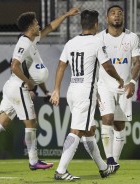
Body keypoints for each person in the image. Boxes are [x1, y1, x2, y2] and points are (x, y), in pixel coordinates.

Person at [0, 6, 81, 170]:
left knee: (2, 123)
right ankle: (33, 161)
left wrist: (66, 15)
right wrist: (28, 83)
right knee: (31, 122)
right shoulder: (24, 43)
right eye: (36, 23)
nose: (39, 25)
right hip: (19, 88)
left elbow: (50, 27)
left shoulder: (32, 40)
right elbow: (14, 66)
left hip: (13, 87)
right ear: (30, 26)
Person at [50, 9, 124, 181]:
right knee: (76, 130)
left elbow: (61, 66)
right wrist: (119, 79)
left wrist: (56, 89)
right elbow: (107, 67)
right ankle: (61, 171)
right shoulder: (97, 42)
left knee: (89, 131)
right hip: (86, 92)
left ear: (82, 24)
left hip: (72, 90)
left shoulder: (71, 43)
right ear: (96, 24)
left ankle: (103, 168)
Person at [96, 5, 140, 170]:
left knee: (119, 126)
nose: (117, 16)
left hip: (124, 88)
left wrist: (133, 82)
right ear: (107, 18)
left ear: (123, 18)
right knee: (107, 118)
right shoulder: (99, 38)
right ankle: (109, 159)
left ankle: (114, 161)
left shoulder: (132, 37)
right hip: (104, 86)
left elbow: (138, 61)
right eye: (113, 13)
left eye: (120, 13)